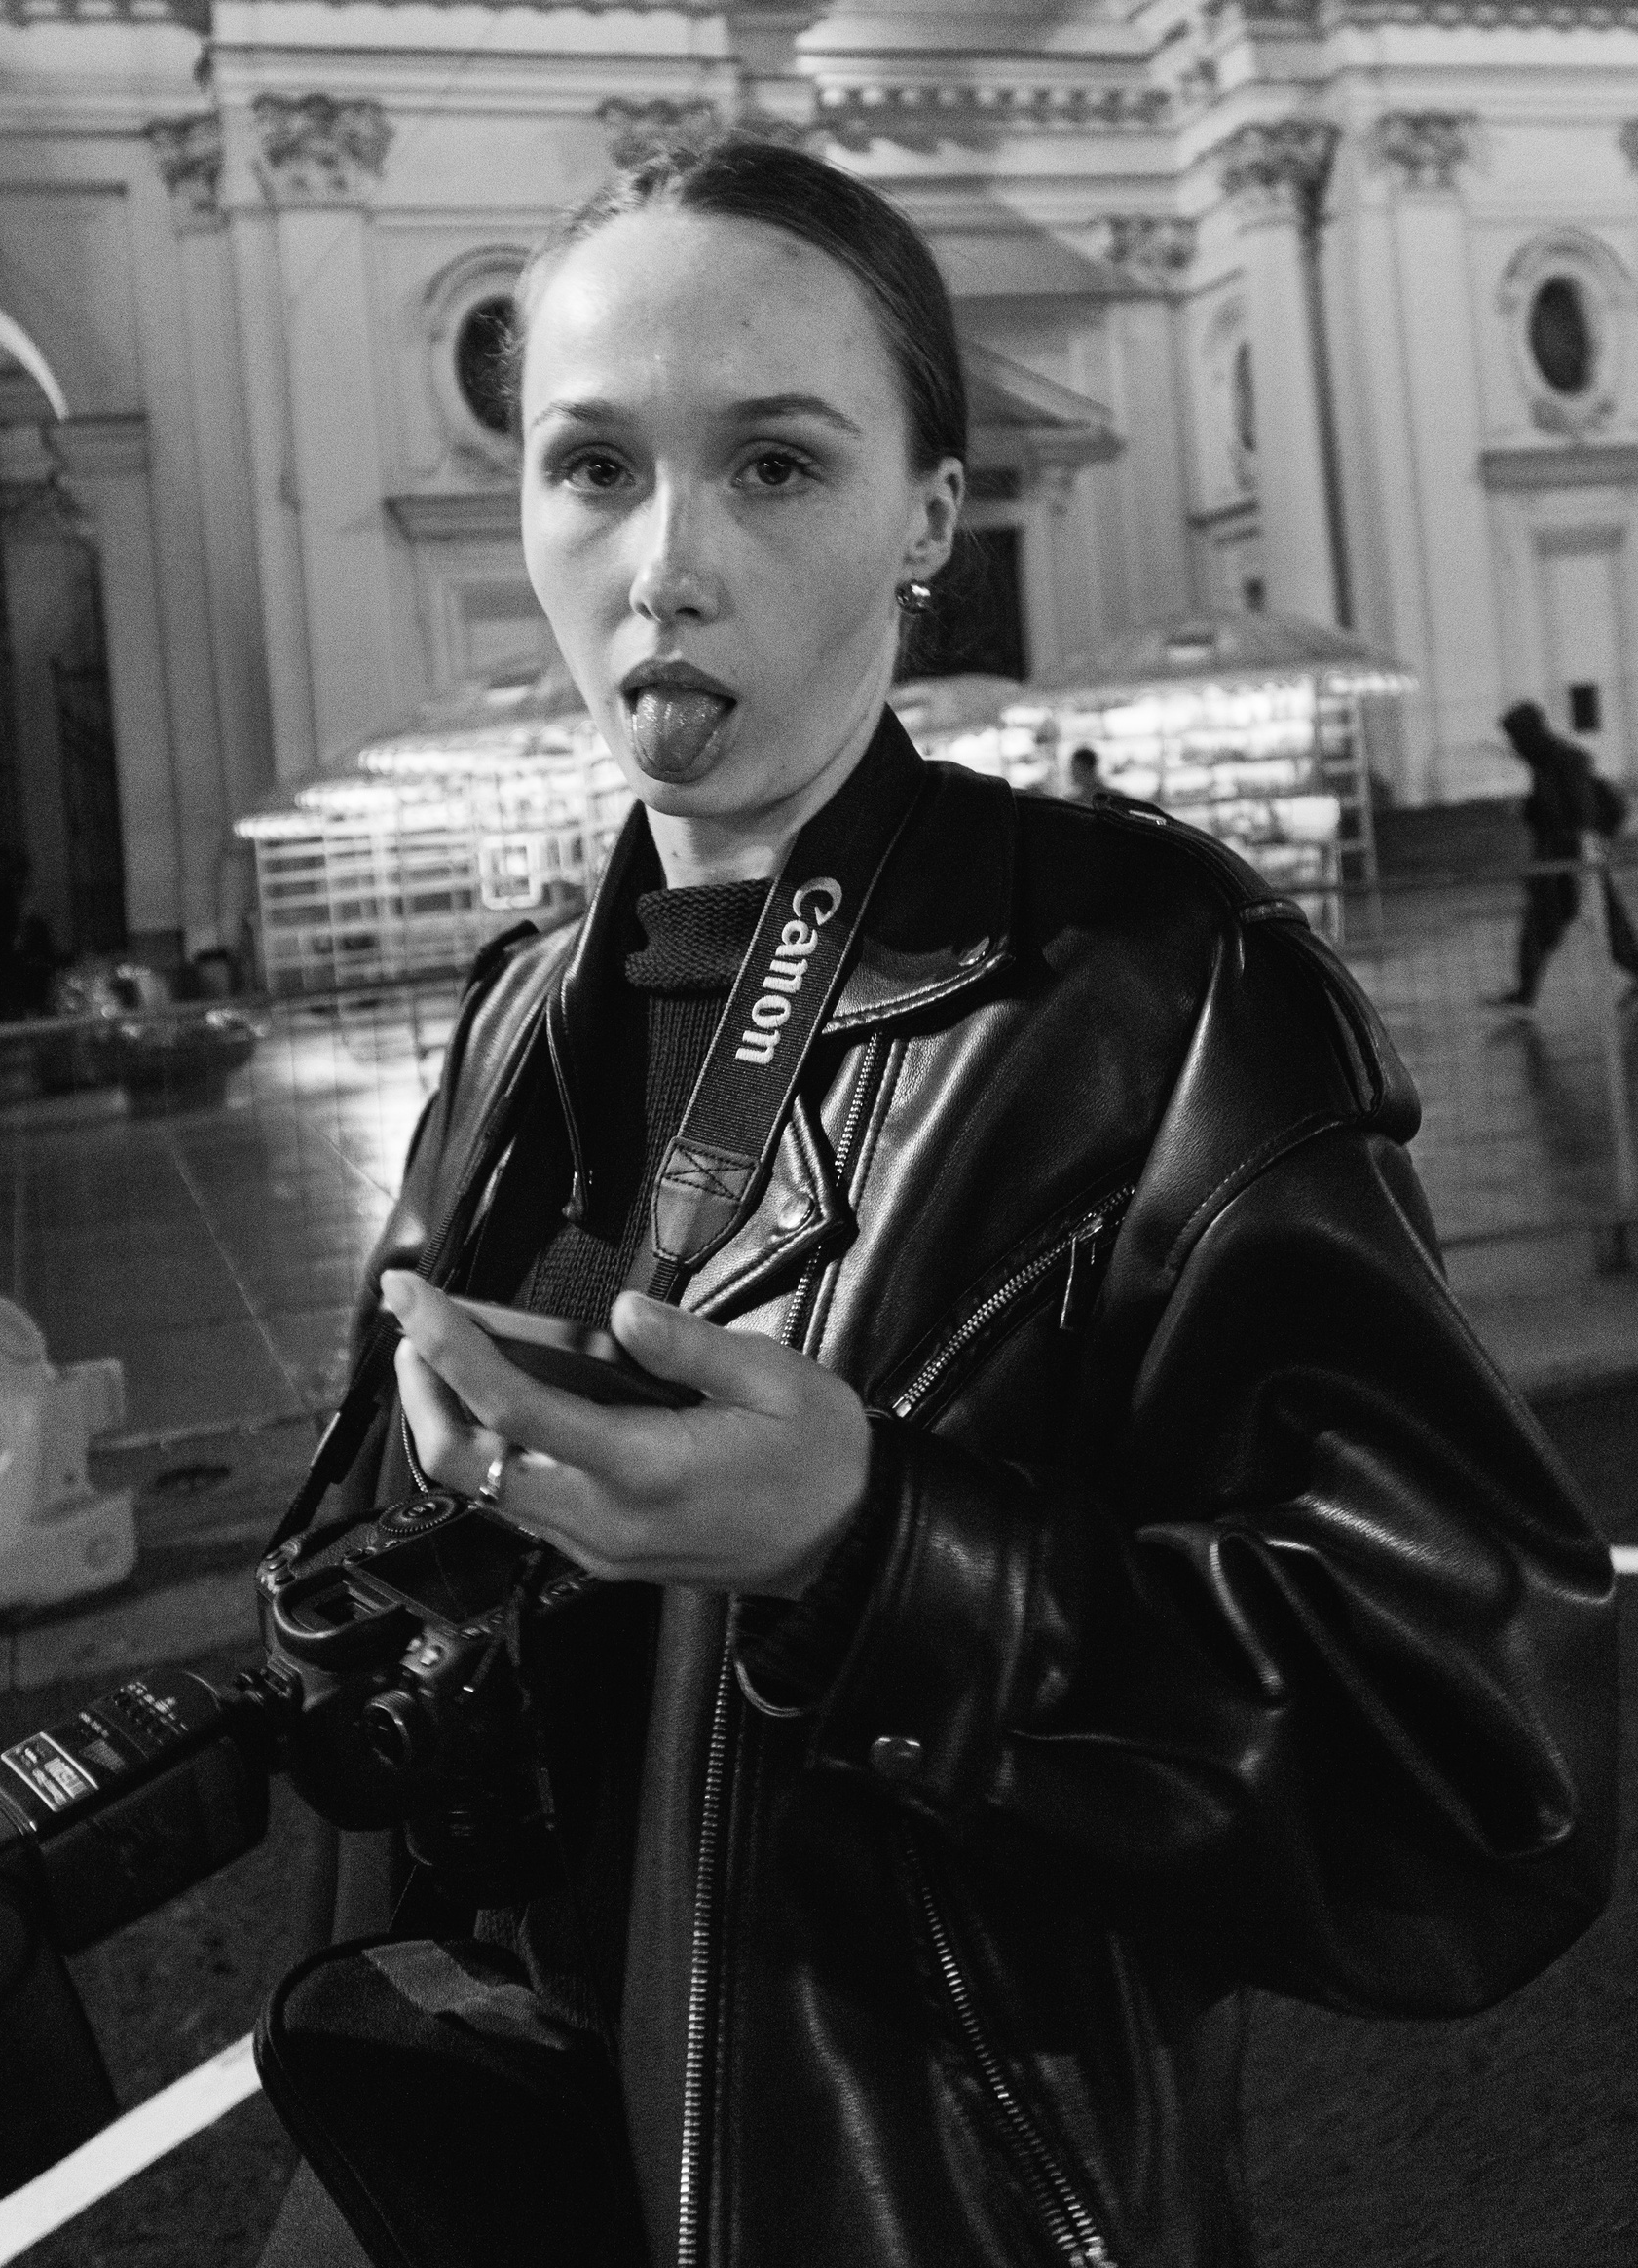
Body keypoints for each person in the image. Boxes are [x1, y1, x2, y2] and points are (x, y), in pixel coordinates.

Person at [257, 142, 1615, 2268]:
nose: (665, 565)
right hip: (498, 2180)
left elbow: (1484, 1782)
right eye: (593, 467)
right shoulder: (523, 1012)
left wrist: (876, 1546)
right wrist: (409, 1567)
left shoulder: (1152, 994)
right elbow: (366, 1610)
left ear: (929, 520)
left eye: (776, 466)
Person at [1490, 698, 1638, 1009]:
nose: (1514, 746)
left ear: (1530, 734)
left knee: (1547, 929)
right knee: (1604, 927)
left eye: (1516, 738)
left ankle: (1524, 996)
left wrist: (1574, 845)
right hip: (1567, 861)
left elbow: (1575, 813)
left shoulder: (1564, 761)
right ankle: (1524, 994)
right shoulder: (1548, 763)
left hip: (1569, 862)